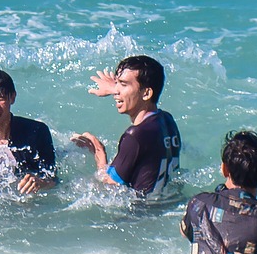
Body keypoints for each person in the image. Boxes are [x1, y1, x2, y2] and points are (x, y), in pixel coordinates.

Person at [69, 54, 181, 198]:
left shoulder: (134, 136)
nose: (116, 91)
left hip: (137, 216)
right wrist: (118, 89)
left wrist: (98, 152)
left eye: (123, 84)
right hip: (166, 204)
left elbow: (108, 189)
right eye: (117, 83)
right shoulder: (167, 120)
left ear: (146, 93)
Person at [0, 68, 58, 195]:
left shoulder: (36, 133)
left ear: (12, 97)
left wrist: (40, 183)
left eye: (1, 98)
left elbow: (54, 180)